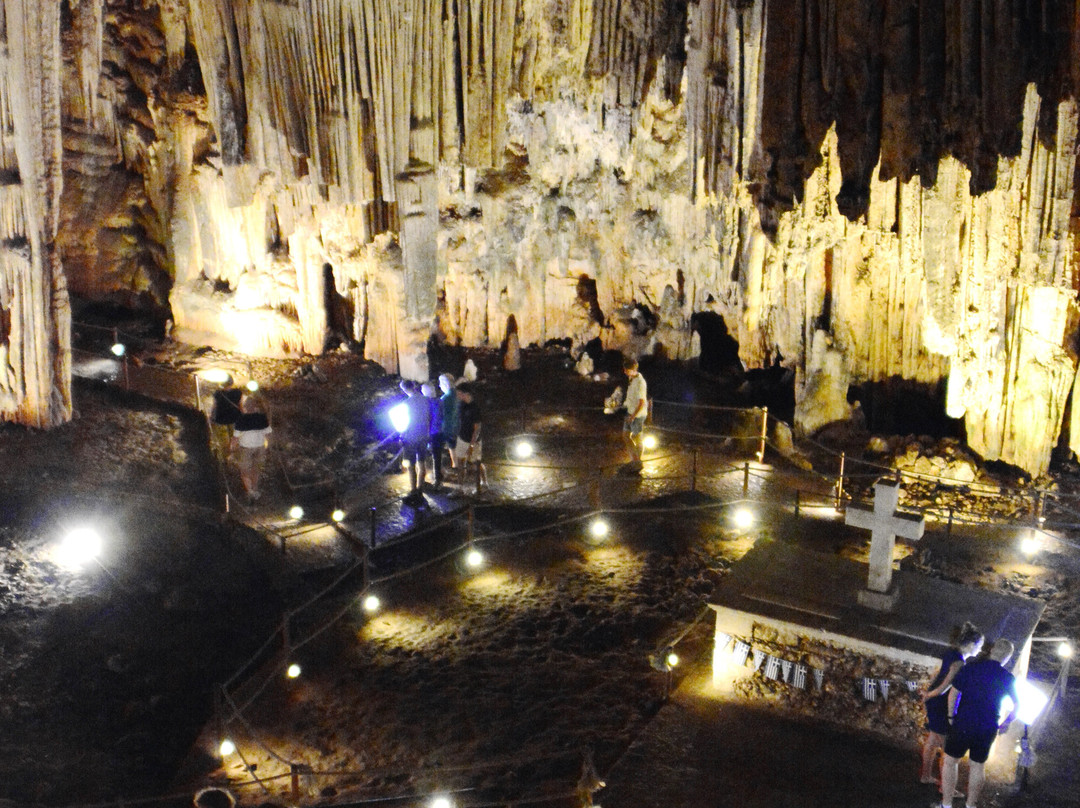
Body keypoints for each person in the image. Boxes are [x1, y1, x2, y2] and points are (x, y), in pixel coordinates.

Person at [938, 638, 1020, 808]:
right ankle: (970, 805)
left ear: (992, 650)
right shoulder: (1007, 677)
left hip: (963, 723)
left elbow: (953, 694)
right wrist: (1006, 723)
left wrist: (950, 717)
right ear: (1007, 657)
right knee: (977, 766)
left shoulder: (971, 668)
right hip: (987, 727)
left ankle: (946, 805)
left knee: (951, 761)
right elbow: (1017, 706)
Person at [920, 622, 984, 789]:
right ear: (971, 644)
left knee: (932, 740)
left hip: (934, 702)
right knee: (948, 751)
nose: (980, 650)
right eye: (979, 646)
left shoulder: (951, 653)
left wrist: (928, 692)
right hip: (940, 704)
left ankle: (926, 776)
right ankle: (945, 787)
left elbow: (938, 678)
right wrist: (929, 695)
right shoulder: (959, 663)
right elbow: (944, 687)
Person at [231, 395, 271, 501]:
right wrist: (270, 446)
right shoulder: (262, 418)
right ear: (255, 406)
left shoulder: (241, 419)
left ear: (245, 407)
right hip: (260, 447)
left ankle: (250, 491)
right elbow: (268, 434)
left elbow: (235, 437)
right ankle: (255, 489)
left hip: (246, 449)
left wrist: (231, 448)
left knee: (244, 471)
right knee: (256, 470)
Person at [400, 380, 431, 504]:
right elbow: (429, 416)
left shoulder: (406, 403)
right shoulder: (425, 400)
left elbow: (405, 422)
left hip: (411, 436)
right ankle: (420, 488)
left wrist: (402, 434)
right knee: (422, 462)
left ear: (404, 389)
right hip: (423, 435)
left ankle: (413, 490)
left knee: (411, 464)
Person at [455, 382, 486, 494]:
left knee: (476, 463)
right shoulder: (461, 405)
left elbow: (477, 428)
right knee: (460, 463)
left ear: (465, 394)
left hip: (473, 440)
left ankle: (482, 483)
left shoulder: (475, 408)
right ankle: (459, 487)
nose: (457, 396)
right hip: (462, 437)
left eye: (459, 393)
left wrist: (472, 445)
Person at [622, 355, 647, 472]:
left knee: (637, 438)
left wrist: (632, 417)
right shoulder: (631, 378)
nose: (625, 372)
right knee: (625, 436)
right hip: (630, 411)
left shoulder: (640, 383)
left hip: (637, 415)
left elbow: (641, 402)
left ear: (633, 369)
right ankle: (635, 459)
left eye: (627, 370)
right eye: (624, 370)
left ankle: (637, 461)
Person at [210, 378, 243, 458]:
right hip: (235, 420)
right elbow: (240, 406)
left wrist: (211, 419)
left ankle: (225, 463)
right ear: (232, 383)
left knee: (223, 445)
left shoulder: (217, 393)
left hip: (221, 421)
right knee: (236, 442)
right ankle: (236, 462)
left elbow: (214, 407)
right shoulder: (238, 392)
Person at [421, 381, 444, 486]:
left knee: (424, 455)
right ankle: (438, 478)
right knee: (437, 456)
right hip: (439, 431)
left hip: (430, 432)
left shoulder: (426, 403)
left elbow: (427, 418)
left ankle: (424, 478)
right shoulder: (440, 401)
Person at [438, 373, 460, 474]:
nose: (439, 386)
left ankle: (441, 471)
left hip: (446, 428)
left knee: (438, 448)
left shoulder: (444, 399)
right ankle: (456, 466)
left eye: (440, 383)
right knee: (453, 448)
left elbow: (439, 414)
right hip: (458, 427)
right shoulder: (458, 394)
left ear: (445, 384)